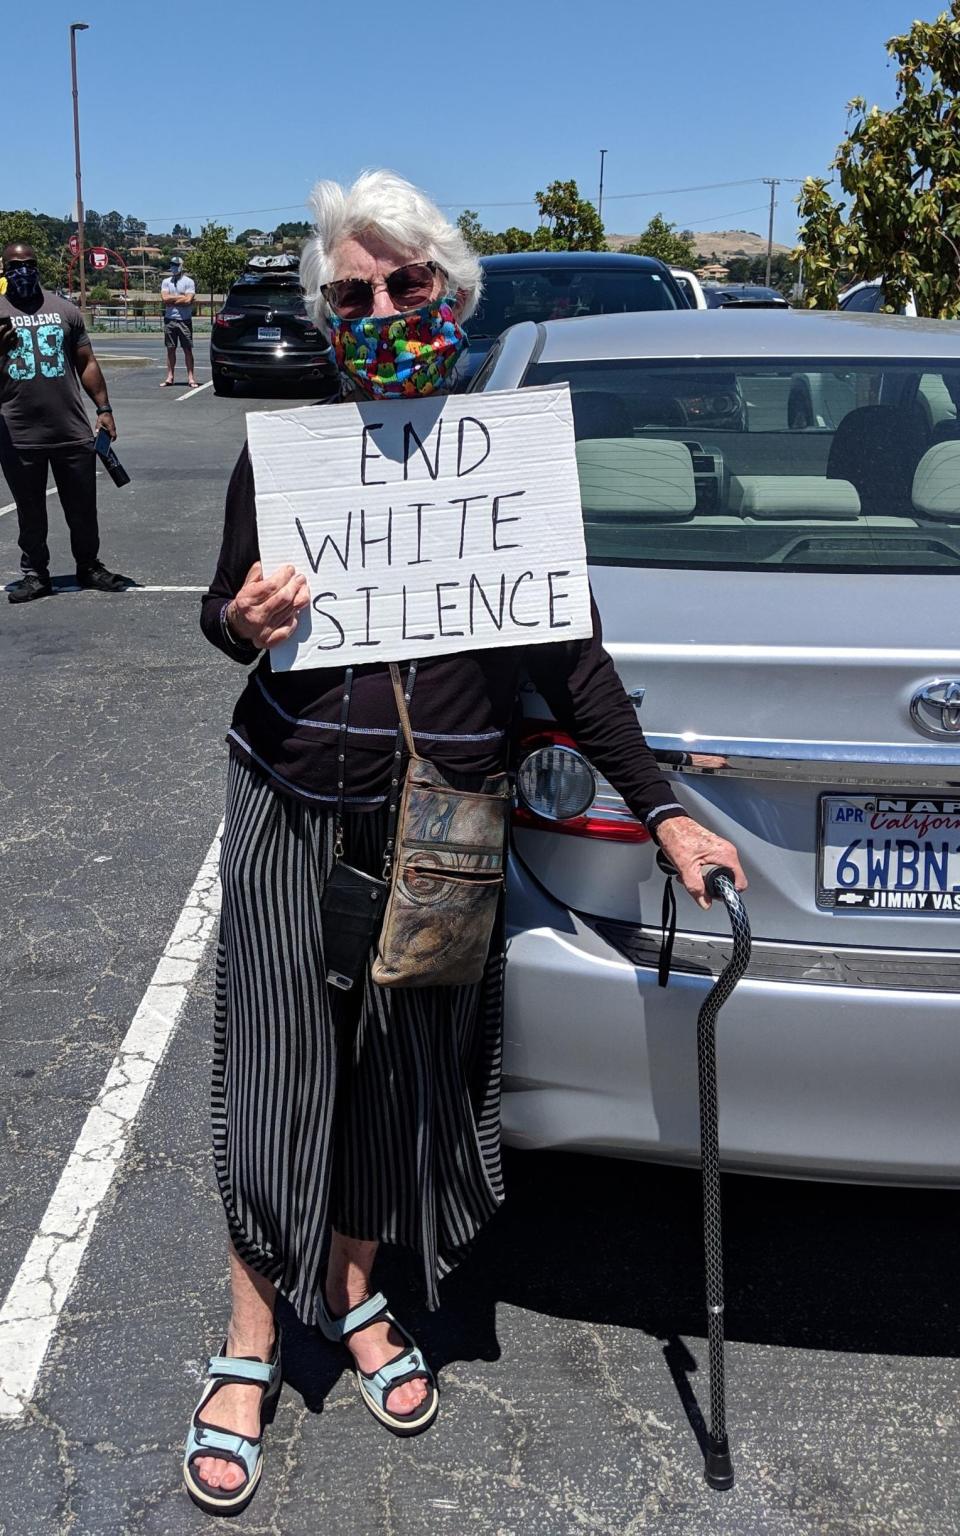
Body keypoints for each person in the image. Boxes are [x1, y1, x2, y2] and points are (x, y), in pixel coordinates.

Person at [186, 170, 747, 1514]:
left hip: (442, 825)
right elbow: (222, 614)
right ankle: (252, 1347)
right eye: (354, 295)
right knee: (275, 1070)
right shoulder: (288, 457)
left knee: (401, 1080)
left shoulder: (512, 468)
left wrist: (662, 806)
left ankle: (357, 1294)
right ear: (330, 313)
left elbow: (574, 657)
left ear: (453, 293)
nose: (382, 311)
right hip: (292, 809)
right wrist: (241, 623)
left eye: (407, 286)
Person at [0, 242, 130, 602]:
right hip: (17, 432)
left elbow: (86, 362)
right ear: (4, 267)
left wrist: (104, 409)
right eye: (15, 264)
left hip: (71, 429)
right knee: (30, 511)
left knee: (83, 507)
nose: (23, 270)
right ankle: (35, 574)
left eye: (29, 264)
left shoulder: (65, 310)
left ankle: (88, 566)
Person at [160, 255, 198, 388]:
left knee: (187, 349)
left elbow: (188, 300)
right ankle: (170, 377)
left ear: (181, 266)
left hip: (184, 320)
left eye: (176, 265)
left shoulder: (189, 282)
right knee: (171, 349)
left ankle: (191, 378)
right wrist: (180, 298)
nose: (173, 267)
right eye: (171, 264)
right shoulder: (166, 282)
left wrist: (174, 300)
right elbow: (164, 298)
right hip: (170, 319)